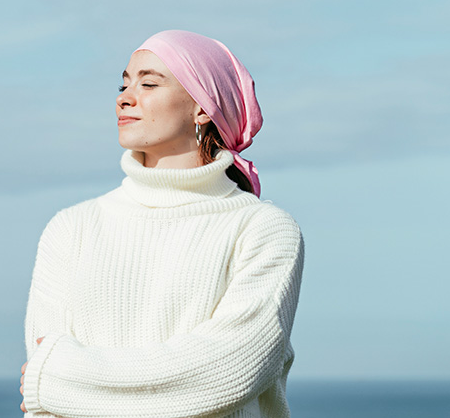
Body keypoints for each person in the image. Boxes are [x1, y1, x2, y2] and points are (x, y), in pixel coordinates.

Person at [19, 30, 304, 418]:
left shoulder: (263, 229)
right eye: (124, 84)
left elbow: (228, 372)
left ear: (203, 107)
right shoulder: (71, 228)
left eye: (149, 83)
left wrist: (63, 378)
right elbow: (45, 395)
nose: (124, 97)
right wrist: (53, 379)